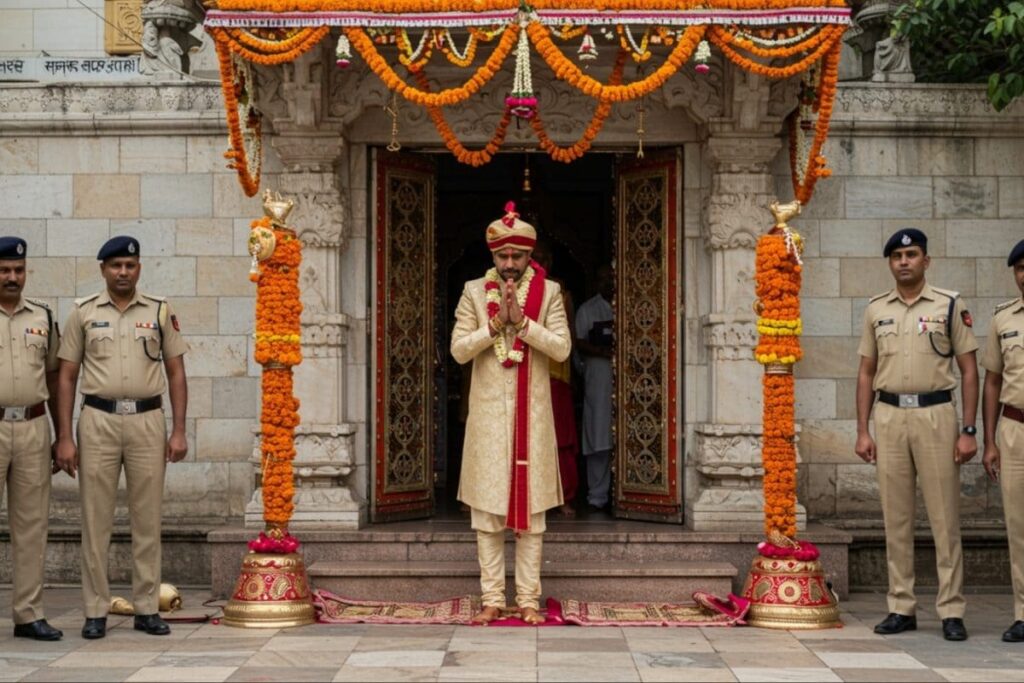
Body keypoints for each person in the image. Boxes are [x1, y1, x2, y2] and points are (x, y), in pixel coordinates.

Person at [54, 236, 189, 640]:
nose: (123, 272)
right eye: (115, 266)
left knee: (147, 519)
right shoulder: (83, 313)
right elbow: (66, 376)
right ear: (103, 270)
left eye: (130, 265)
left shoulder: (160, 311)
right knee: (95, 520)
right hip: (98, 419)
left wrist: (179, 430)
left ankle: (147, 608)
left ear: (139, 268)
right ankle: (95, 609)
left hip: (148, 420)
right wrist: (64, 435)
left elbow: (176, 372)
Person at [855, 228, 978, 642]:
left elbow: (969, 369)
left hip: (937, 415)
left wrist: (969, 429)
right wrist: (862, 430)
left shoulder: (948, 305)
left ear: (926, 261)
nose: (904, 261)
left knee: (945, 518)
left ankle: (951, 610)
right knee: (896, 517)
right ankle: (901, 606)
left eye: (911, 254)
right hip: (889, 416)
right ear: (890, 264)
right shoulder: (876, 309)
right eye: (897, 256)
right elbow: (866, 372)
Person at [451, 202, 571, 625]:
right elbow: (459, 350)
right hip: (487, 420)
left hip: (532, 419)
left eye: (517, 257)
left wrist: (522, 325)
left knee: (532, 517)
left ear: (529, 256)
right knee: (486, 515)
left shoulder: (550, 293)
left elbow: (561, 348)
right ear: (492, 256)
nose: (509, 265)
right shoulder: (471, 292)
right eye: (502, 256)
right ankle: (490, 598)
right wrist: (493, 325)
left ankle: (528, 601)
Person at [0, 237, 63, 641]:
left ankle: (28, 614)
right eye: (4, 270)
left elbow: (55, 378)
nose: (12, 277)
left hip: (34, 426)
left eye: (18, 271)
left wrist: (62, 437)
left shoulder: (42, 315)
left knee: (32, 525)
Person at [981, 238, 1024, 643]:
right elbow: (992, 381)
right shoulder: (1003, 319)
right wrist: (989, 441)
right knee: (1019, 524)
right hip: (1016, 431)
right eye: (1020, 268)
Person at [532, 241, 578, 517]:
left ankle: (565, 497)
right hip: (523, 372)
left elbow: (567, 336)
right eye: (533, 258)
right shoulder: (512, 290)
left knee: (560, 440)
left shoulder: (559, 292)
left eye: (542, 258)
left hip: (554, 373)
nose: (538, 264)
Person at [575, 264, 614, 512]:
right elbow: (577, 342)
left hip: (634, 375)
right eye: (603, 278)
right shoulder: (589, 309)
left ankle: (633, 493)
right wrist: (601, 351)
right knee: (598, 433)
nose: (608, 282)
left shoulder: (638, 303)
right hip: (598, 373)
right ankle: (597, 497)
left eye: (612, 277)